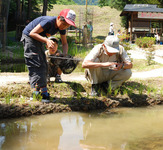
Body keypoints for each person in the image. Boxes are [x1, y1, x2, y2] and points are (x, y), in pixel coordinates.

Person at [20, 9, 76, 101]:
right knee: (35, 64)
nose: (64, 27)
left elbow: (65, 43)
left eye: (68, 25)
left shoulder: (62, 28)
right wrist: (46, 40)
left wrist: (64, 56)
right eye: (64, 23)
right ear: (58, 18)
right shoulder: (49, 22)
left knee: (44, 65)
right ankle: (35, 93)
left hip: (38, 39)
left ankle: (43, 92)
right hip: (29, 37)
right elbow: (32, 33)